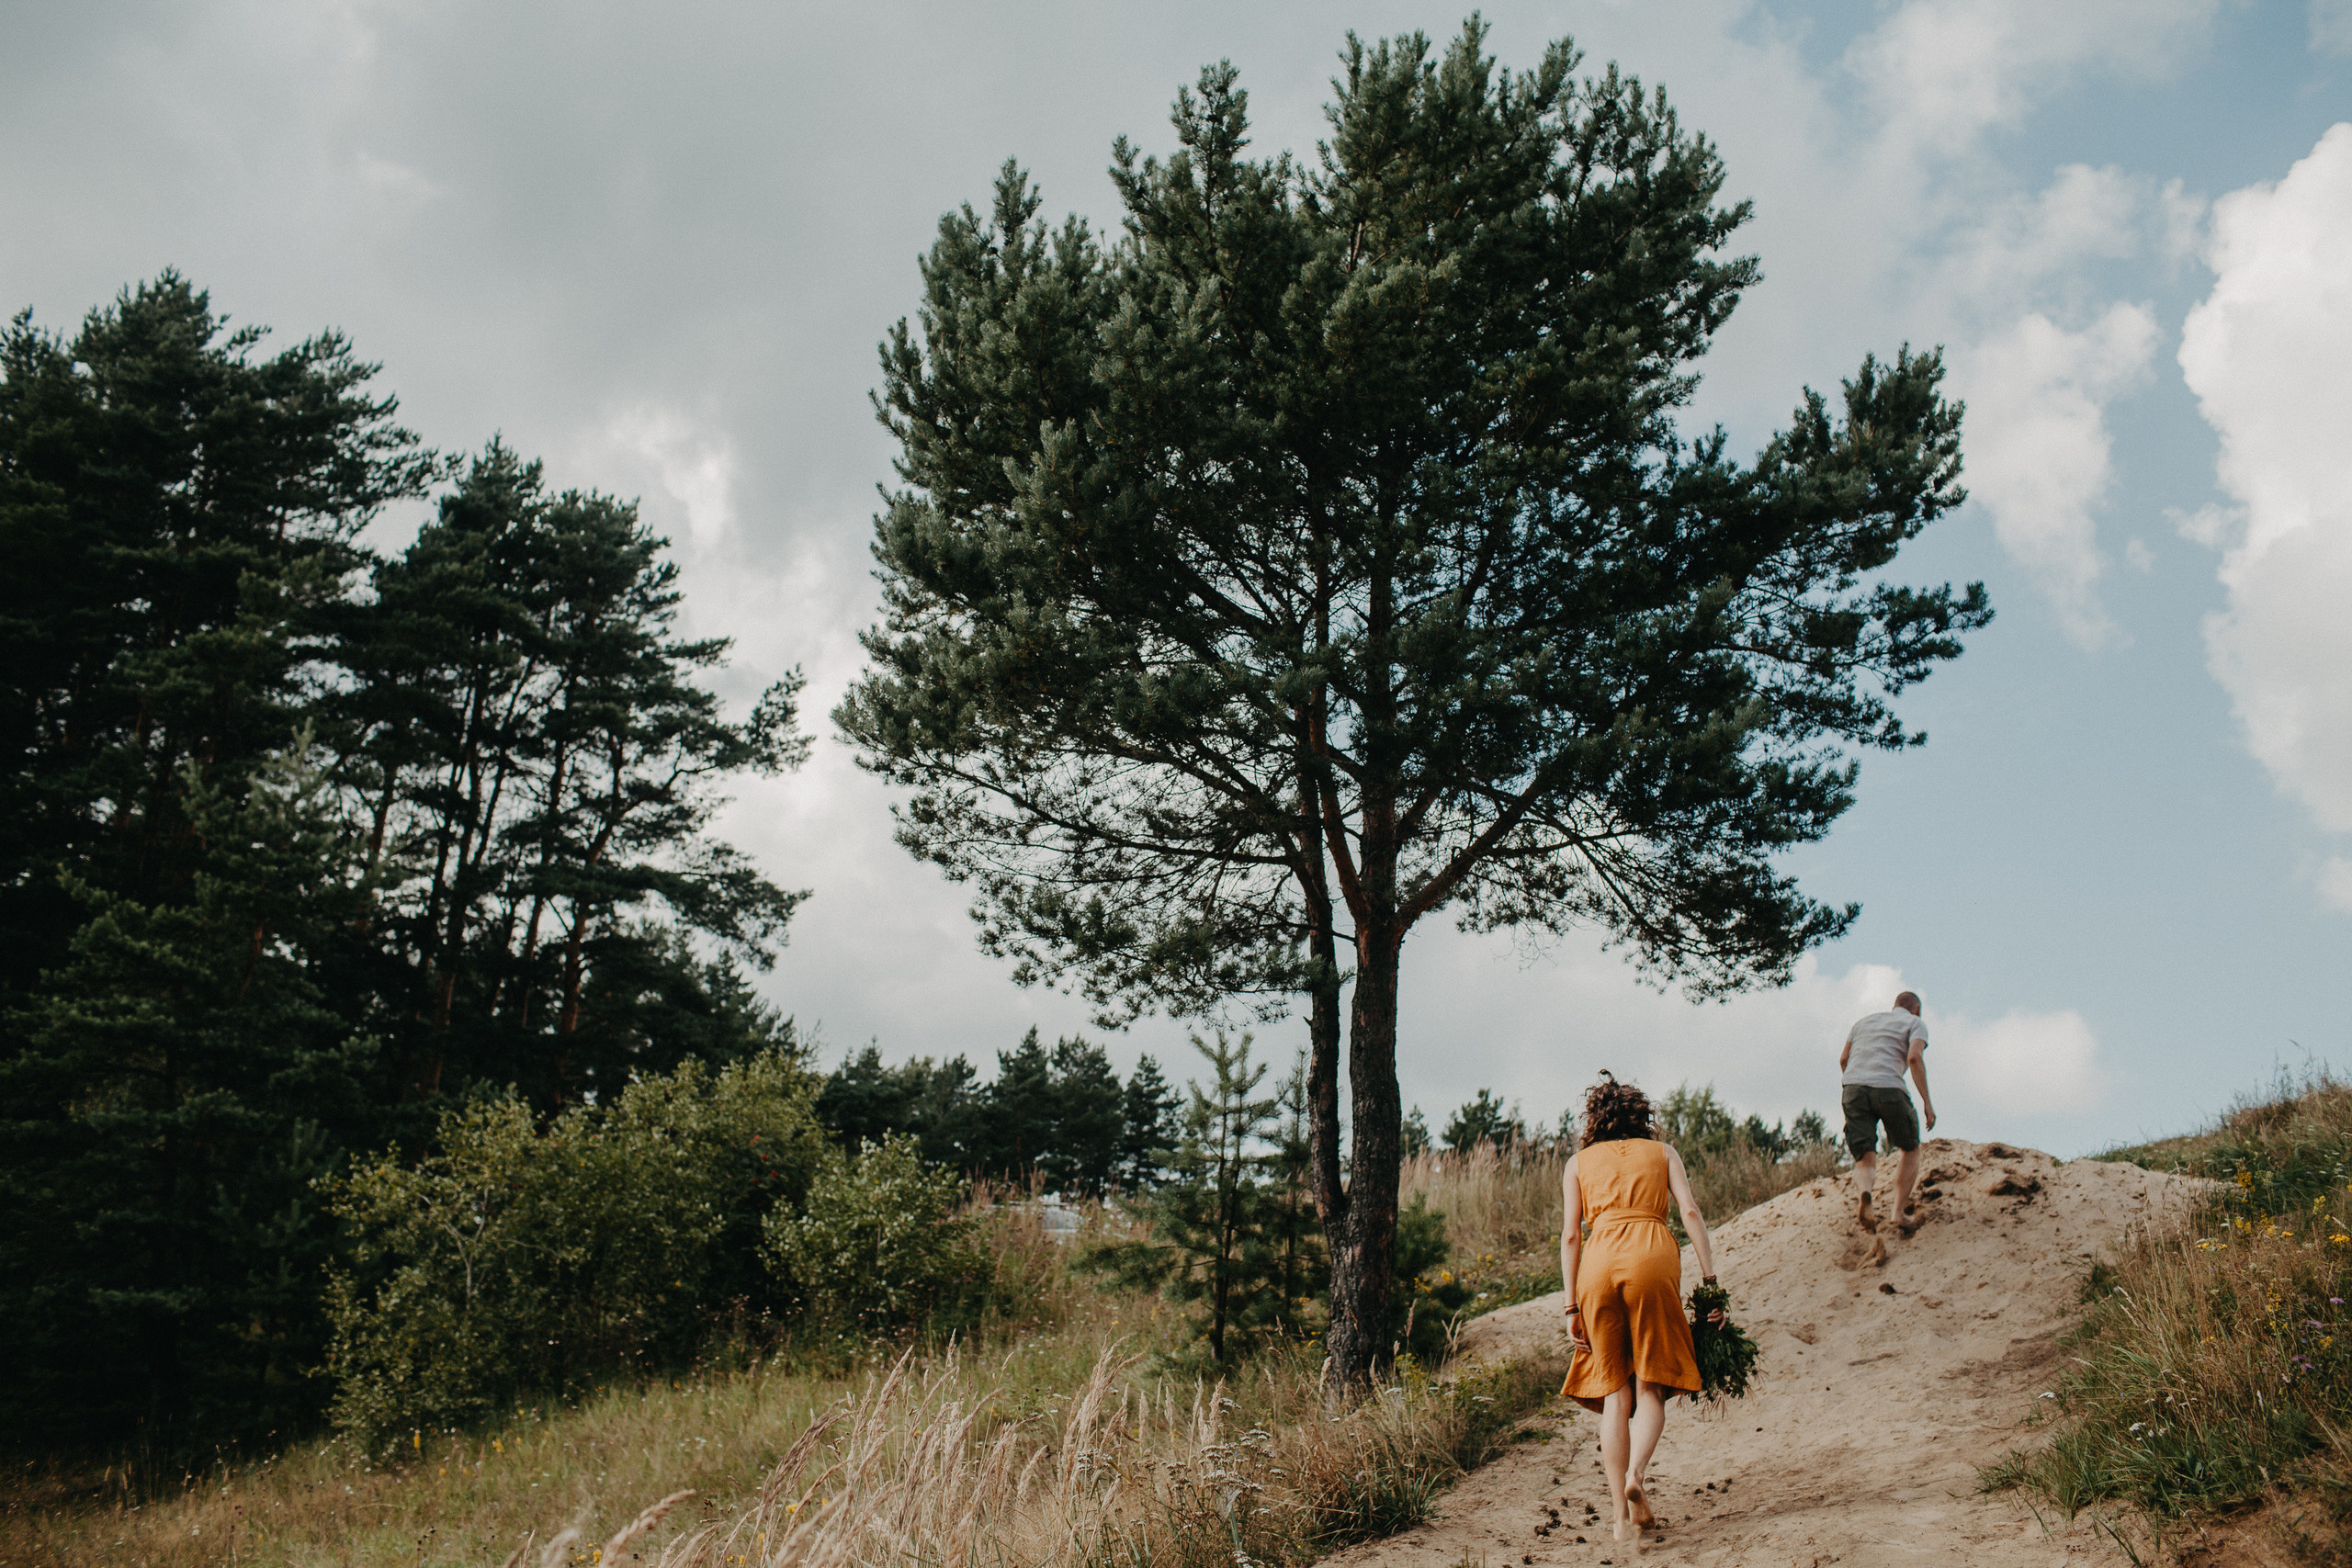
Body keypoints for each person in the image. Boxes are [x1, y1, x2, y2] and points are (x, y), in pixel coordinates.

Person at [1560, 1073, 1724, 1545]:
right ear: (1641, 1116)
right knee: (1649, 1385)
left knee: (1615, 1391)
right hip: (1651, 1255)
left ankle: (1618, 1517)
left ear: (1596, 1120)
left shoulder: (1577, 1163)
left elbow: (1571, 1234)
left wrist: (1571, 1304)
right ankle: (1636, 1475)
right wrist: (1710, 1283)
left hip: (1598, 1263)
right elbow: (1690, 1212)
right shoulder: (1664, 1152)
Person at [1840, 989, 1938, 1234]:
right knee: (1911, 1148)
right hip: (1889, 1088)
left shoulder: (1863, 1022)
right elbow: (1914, 1058)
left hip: (1853, 1087)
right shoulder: (1916, 1023)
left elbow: (1844, 1059)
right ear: (1916, 1009)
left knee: (1864, 1156)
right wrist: (1927, 1102)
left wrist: (1860, 1083)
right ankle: (1898, 1213)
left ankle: (1865, 1192)